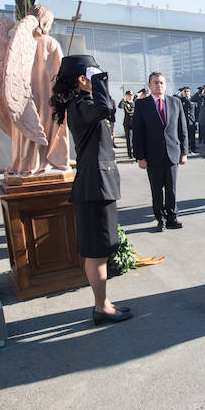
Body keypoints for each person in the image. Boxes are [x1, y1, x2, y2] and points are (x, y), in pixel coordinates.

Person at [50, 55, 131, 325]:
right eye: (93, 74)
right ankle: (101, 306)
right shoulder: (83, 103)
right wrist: (100, 81)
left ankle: (103, 302)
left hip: (96, 184)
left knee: (99, 249)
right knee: (97, 251)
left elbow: (108, 110)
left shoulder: (80, 103)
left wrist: (96, 81)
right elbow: (105, 107)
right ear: (83, 79)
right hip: (95, 186)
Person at [132, 72, 189, 231]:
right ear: (149, 85)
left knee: (171, 189)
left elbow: (182, 128)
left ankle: (172, 218)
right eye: (155, 83)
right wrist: (140, 157)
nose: (159, 86)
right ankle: (160, 219)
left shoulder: (175, 102)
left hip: (172, 153)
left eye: (162, 83)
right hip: (152, 155)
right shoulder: (142, 105)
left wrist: (184, 152)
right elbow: (138, 133)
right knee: (156, 190)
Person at [178, 86, 199, 154]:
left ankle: (193, 149)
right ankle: (185, 150)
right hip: (183, 121)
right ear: (183, 93)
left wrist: (196, 121)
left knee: (192, 136)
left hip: (192, 121)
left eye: (187, 91)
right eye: (185, 91)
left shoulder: (193, 100)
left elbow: (196, 111)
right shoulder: (180, 100)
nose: (186, 93)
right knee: (184, 136)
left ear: (190, 92)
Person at [118, 90, 135, 159]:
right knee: (129, 139)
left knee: (135, 140)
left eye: (131, 95)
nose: (130, 96)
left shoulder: (135, 103)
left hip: (134, 123)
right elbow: (120, 106)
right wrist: (123, 99)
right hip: (127, 123)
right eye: (128, 95)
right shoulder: (125, 103)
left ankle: (135, 153)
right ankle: (130, 154)